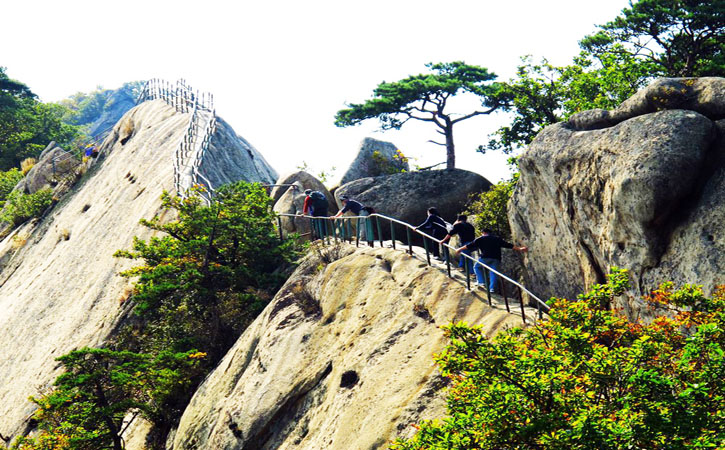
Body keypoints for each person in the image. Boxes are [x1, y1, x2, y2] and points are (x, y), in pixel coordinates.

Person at [455, 229, 528, 292]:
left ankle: (481, 282)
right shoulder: (497, 239)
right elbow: (508, 245)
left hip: (485, 258)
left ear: (483, 232)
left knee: (477, 267)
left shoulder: (480, 239)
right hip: (496, 259)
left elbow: (469, 245)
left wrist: (459, 249)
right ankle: (492, 289)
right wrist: (520, 249)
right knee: (493, 273)